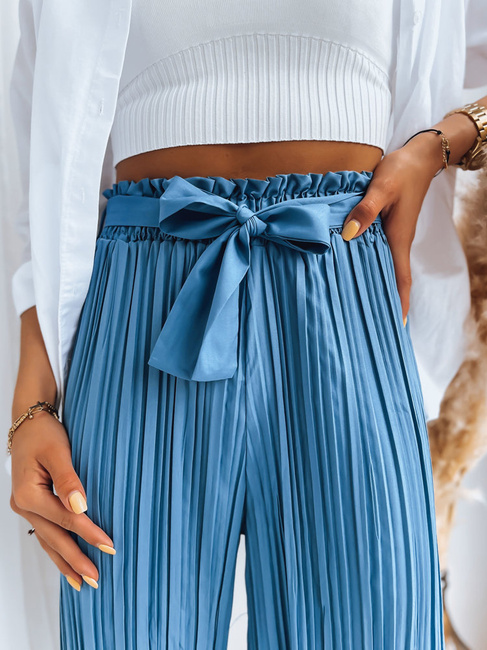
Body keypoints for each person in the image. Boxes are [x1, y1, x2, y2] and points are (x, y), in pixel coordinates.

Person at [6, 0, 487, 648]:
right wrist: (30, 408)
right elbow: (37, 160)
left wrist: (438, 145)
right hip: (144, 310)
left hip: (343, 282)